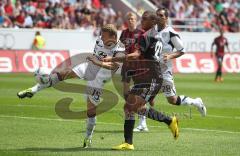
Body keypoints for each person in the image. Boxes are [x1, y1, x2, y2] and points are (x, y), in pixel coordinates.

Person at [17, 24, 125, 148]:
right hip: (89, 67)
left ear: (113, 36)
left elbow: (114, 66)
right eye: (101, 34)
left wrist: (98, 62)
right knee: (65, 73)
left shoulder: (120, 48)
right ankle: (34, 89)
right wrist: (94, 61)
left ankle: (88, 137)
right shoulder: (99, 40)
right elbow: (96, 55)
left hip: (98, 79)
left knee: (90, 111)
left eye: (104, 36)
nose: (101, 37)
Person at [103, 11, 179, 150]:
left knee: (130, 107)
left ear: (153, 22)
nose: (141, 21)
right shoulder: (154, 35)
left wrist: (112, 59)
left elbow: (135, 56)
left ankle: (129, 142)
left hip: (151, 78)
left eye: (145, 19)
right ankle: (168, 121)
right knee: (130, 107)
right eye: (142, 19)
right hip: (146, 76)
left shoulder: (146, 36)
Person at [134, 7, 207, 132]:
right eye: (157, 15)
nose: (159, 17)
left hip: (165, 71)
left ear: (166, 18)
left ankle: (196, 102)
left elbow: (182, 50)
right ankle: (142, 124)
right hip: (152, 71)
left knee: (172, 100)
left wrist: (170, 56)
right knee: (142, 96)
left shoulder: (171, 33)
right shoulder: (152, 31)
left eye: (161, 15)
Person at [120, 11, 156, 132]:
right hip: (126, 66)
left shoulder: (141, 33)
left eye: (133, 19)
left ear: (136, 20)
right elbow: (120, 47)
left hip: (138, 67)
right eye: (129, 19)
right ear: (126, 20)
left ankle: (142, 122)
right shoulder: (124, 33)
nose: (131, 20)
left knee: (138, 94)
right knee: (126, 93)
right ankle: (132, 113)